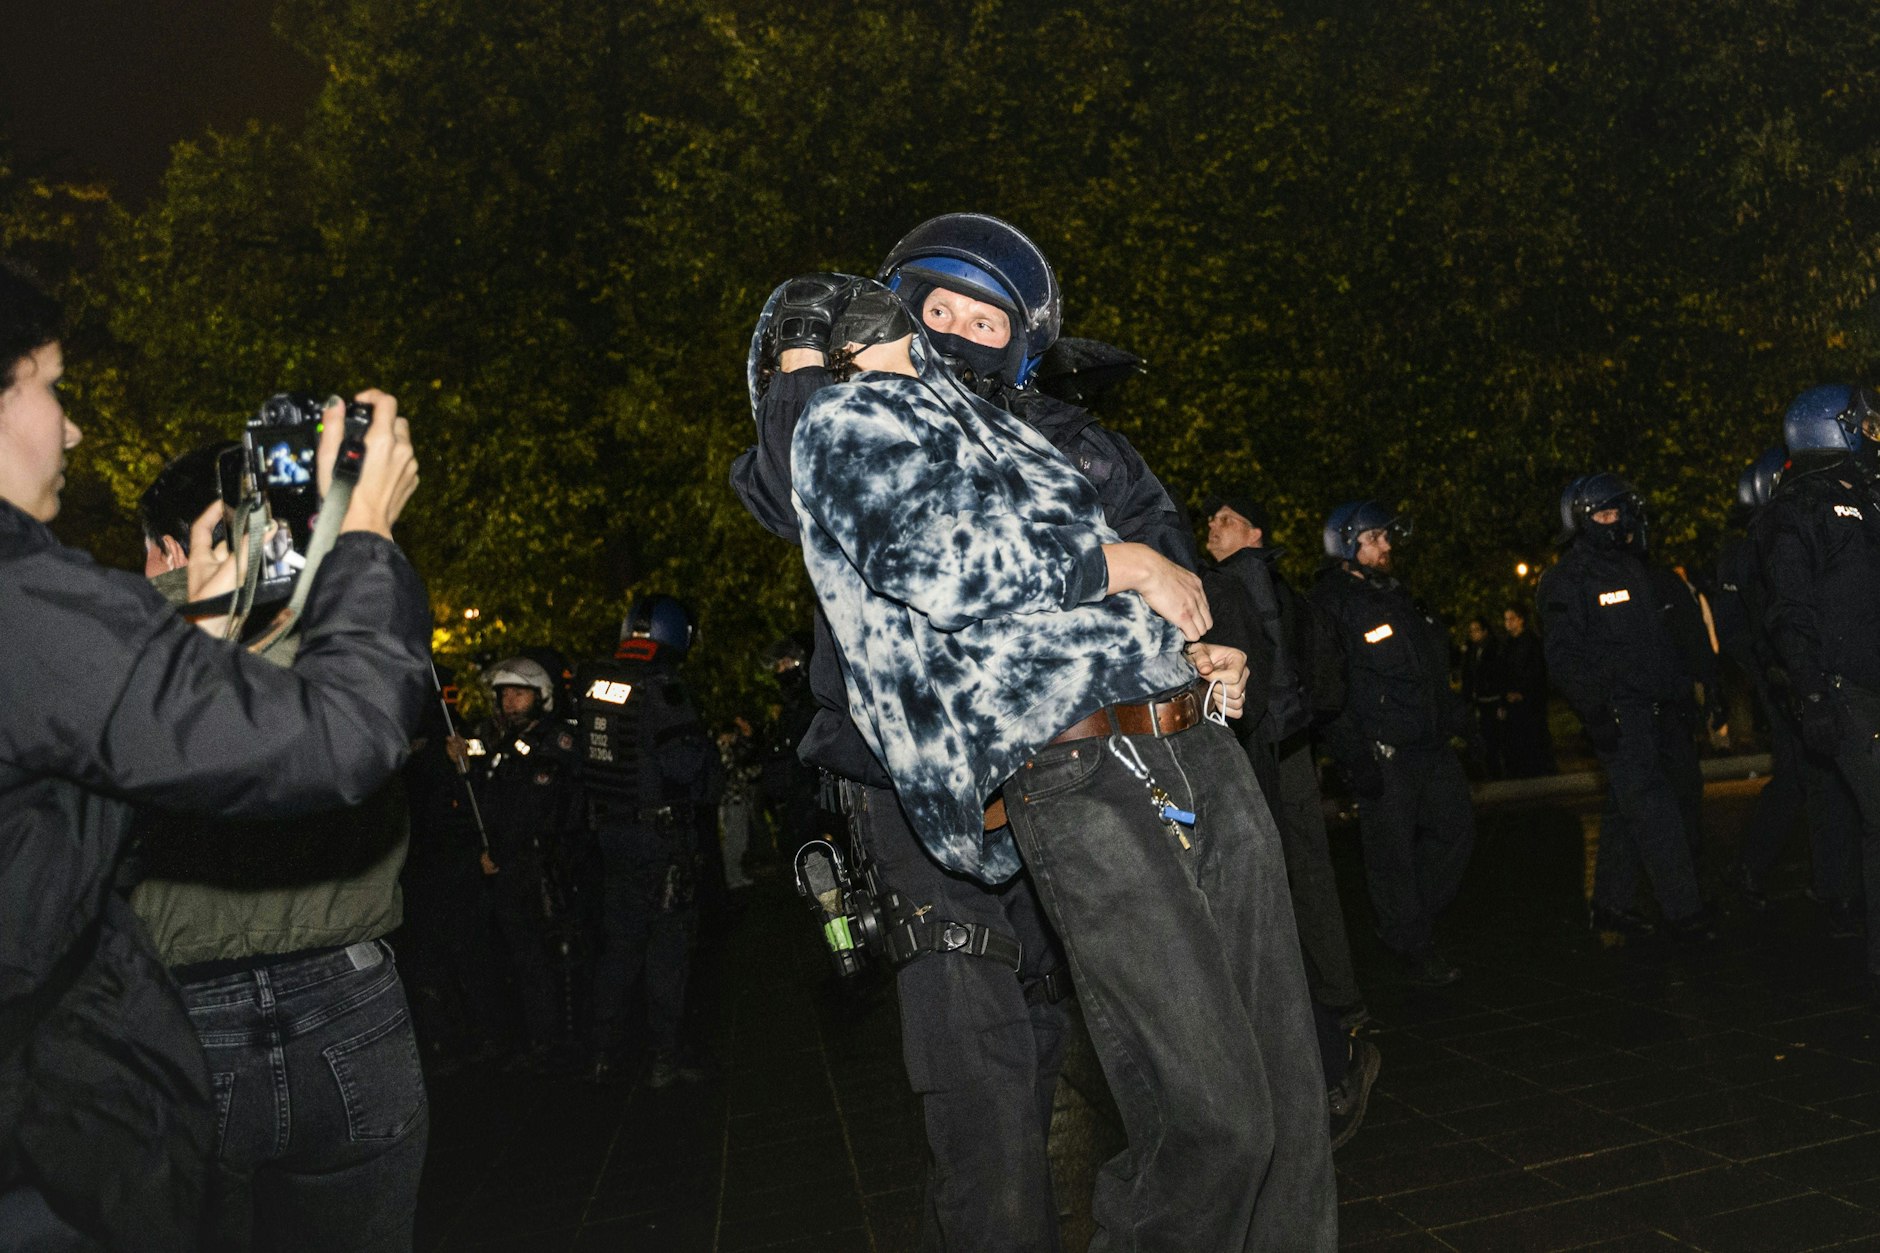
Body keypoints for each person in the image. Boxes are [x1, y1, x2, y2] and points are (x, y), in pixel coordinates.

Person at [734, 215, 1265, 1249]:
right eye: (938, 311)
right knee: (982, 1098)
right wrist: (805, 359)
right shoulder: (852, 423)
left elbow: (1169, 573)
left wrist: (1211, 651)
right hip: (906, 791)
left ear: (1023, 341)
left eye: (987, 319)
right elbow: (786, 489)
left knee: (1136, 1051)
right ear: (894, 319)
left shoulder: (1081, 447)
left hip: (1082, 777)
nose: (960, 333)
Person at [0, 260, 429, 1252]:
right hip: (94, 1087)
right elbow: (338, 736)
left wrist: (200, 629)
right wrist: (361, 534)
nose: (71, 428)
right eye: (53, 386)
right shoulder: (28, 604)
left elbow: (89, 793)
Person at [127, 446, 431, 1253]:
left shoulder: (111, 645)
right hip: (352, 993)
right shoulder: (349, 617)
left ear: (170, 544)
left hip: (185, 1012)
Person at [1201, 486, 1377, 1147]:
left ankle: (1316, 1030)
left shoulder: (1230, 584)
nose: (1211, 526)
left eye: (1225, 519)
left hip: (1261, 755)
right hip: (1293, 749)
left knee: (1271, 886)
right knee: (1313, 876)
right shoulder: (1282, 585)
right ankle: (1343, 996)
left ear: (1254, 533)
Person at [1539, 473, 1714, 939]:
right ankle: (1686, 914)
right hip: (1618, 716)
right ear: (1581, 519)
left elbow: (1656, 643)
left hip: (1655, 710)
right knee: (1656, 814)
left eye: (1619, 511)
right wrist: (1596, 714)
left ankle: (1610, 906)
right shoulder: (1565, 581)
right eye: (1604, 513)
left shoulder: (1632, 567)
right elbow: (1564, 659)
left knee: (1625, 807)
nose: (1615, 521)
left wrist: (1681, 693)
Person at [1312, 500, 1475, 987]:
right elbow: (1328, 688)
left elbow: (1428, 673)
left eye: (1386, 537)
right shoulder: (1331, 604)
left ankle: (1408, 920)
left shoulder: (1398, 596)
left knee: (1456, 829)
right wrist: (1352, 755)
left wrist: (1460, 722)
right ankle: (1412, 943)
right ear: (1346, 544)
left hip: (1429, 745)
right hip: (1383, 753)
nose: (1386, 546)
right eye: (1375, 538)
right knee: (1392, 855)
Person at [1753, 384, 1880, 988]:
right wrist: (1811, 693)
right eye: (1861, 422)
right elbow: (1789, 613)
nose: (1871, 429)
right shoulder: (1796, 509)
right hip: (1845, 689)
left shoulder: (1867, 493)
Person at [576, 594, 718, 1086]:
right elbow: (684, 765)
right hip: (660, 840)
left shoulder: (596, 685)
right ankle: (664, 1058)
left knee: (619, 949)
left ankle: (602, 1054)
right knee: (666, 950)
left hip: (611, 837)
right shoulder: (664, 688)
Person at [463, 656, 587, 1067]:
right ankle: (518, 1036)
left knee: (542, 956)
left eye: (519, 693)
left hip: (540, 866)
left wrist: (497, 852)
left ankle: (549, 1041)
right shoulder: (499, 743)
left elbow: (532, 807)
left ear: (541, 696)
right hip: (504, 869)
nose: (510, 702)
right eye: (504, 695)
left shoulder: (554, 742)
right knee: (508, 954)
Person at [1498, 605, 1558, 777]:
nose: (1507, 624)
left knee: (1534, 737)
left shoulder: (1531, 643)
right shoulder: (1507, 645)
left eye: (1511, 619)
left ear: (1520, 620)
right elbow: (1502, 673)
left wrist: (1523, 693)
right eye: (1506, 619)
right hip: (1513, 701)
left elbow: (1536, 673)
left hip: (1530, 701)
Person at [1460, 616, 1507, 777]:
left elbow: (1499, 675)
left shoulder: (1494, 649)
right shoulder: (1472, 651)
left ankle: (1499, 771)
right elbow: (1469, 675)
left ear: (1485, 631)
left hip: (1492, 699)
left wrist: (1501, 700)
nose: (1473, 634)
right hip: (1480, 701)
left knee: (1495, 738)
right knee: (1484, 738)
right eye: (1471, 631)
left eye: (1477, 630)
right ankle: (1490, 770)